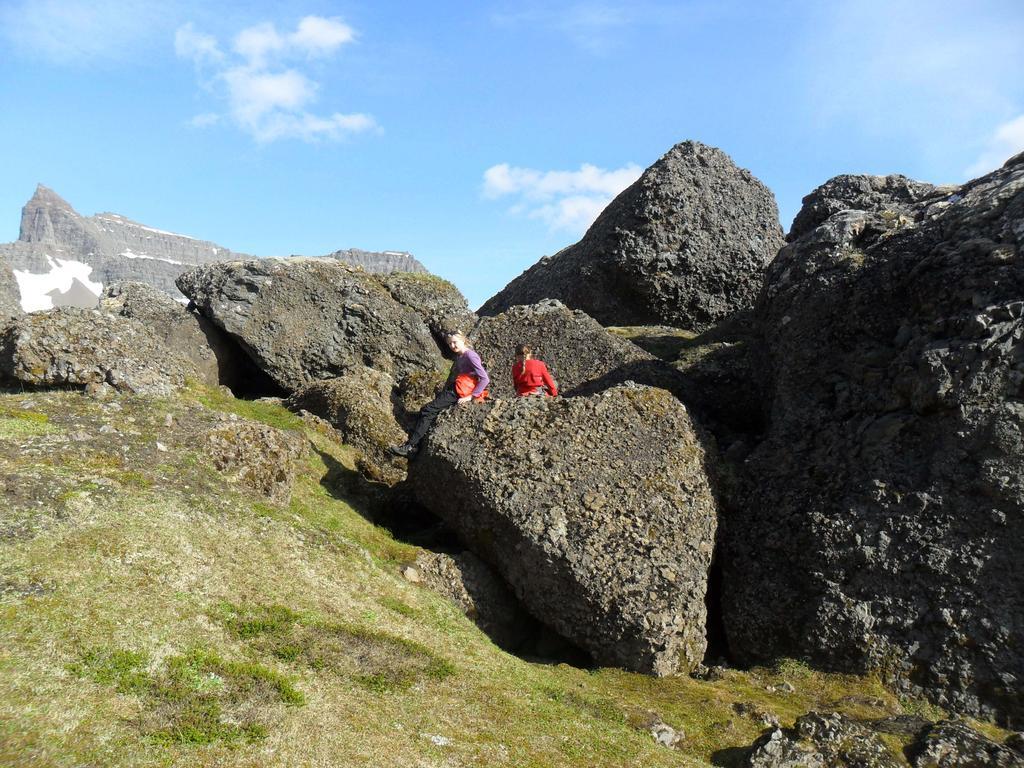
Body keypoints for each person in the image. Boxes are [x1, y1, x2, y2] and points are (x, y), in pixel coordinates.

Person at [389, 332, 490, 457]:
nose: (452, 346)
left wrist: (471, 396)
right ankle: (414, 445)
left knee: (428, 410)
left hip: (461, 390)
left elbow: (485, 378)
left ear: (463, 340)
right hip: (457, 387)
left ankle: (410, 447)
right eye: (449, 344)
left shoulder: (470, 355)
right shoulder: (461, 356)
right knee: (426, 410)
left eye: (455, 342)